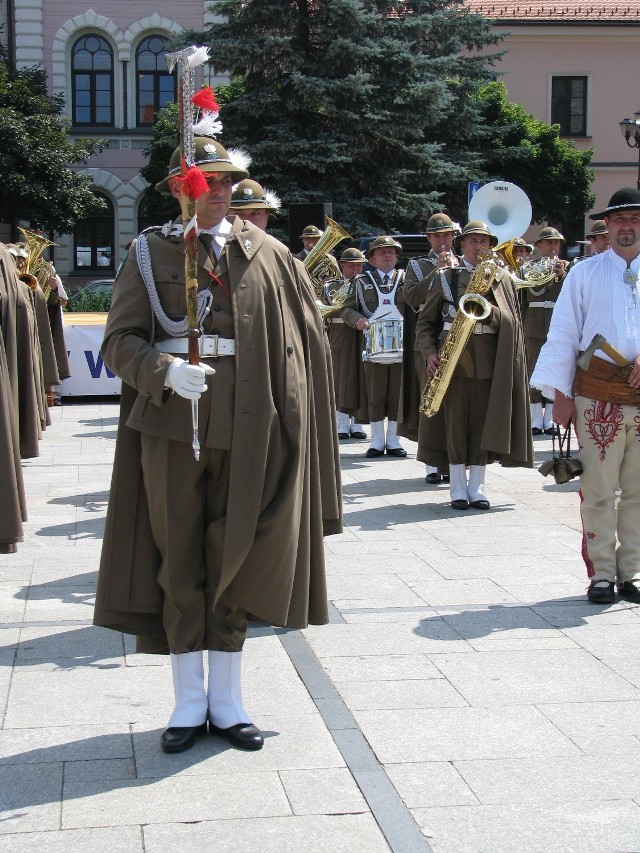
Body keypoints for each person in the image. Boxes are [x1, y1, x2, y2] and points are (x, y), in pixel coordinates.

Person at [93, 134, 342, 754]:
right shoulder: (150, 253)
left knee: (235, 556)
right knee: (179, 555)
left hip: (249, 424)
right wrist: (162, 371)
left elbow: (299, 346)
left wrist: (296, 423)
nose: (222, 191)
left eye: (229, 181)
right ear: (184, 187)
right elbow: (118, 341)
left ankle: (228, 700)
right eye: (209, 180)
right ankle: (187, 699)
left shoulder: (272, 255)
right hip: (174, 426)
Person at [531, 187, 640, 605]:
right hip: (596, 396)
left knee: (637, 488)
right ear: (608, 227)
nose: (626, 227)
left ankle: (631, 571)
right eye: (619, 220)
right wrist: (560, 395)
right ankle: (601, 574)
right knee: (597, 487)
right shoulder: (584, 273)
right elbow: (563, 334)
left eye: (634, 220)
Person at [415, 220, 533, 510]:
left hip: (487, 361)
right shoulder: (444, 276)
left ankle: (477, 488)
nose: (478, 246)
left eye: (483, 241)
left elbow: (512, 321)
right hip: (452, 360)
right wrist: (429, 353)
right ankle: (456, 488)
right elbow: (425, 323)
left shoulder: (501, 277)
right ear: (462, 244)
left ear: (490, 245)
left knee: (482, 424)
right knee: (455, 425)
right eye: (472, 241)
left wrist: (489, 310)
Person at [401, 212, 459, 483]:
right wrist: (437, 273)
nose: (442, 241)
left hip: (455, 337)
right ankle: (431, 464)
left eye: (446, 235)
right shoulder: (418, 265)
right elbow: (410, 296)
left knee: (453, 403)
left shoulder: (463, 265)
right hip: (427, 339)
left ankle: (452, 459)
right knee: (429, 400)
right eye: (437, 236)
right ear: (428, 238)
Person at [341, 235, 407, 458]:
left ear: (397, 256)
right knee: (376, 393)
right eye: (382, 252)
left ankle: (394, 439)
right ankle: (377, 440)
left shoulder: (406, 279)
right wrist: (357, 320)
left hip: (401, 345)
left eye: (391, 252)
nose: (387, 255)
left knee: (397, 393)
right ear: (372, 258)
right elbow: (347, 309)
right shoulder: (361, 282)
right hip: (373, 345)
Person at [524, 226, 569, 435]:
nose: (553, 247)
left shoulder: (568, 268)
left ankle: (550, 421)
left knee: (554, 370)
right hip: (533, 325)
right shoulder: (528, 268)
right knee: (533, 369)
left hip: (556, 325)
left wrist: (563, 276)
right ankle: (535, 420)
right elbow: (522, 300)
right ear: (539, 245)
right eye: (549, 242)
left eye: (556, 243)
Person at [321, 247, 368, 440]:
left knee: (359, 379)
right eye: (351, 266)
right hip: (338, 336)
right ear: (342, 266)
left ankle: (357, 423)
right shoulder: (330, 287)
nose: (356, 270)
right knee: (339, 380)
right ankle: (341, 423)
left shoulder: (367, 284)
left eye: (359, 266)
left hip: (359, 336)